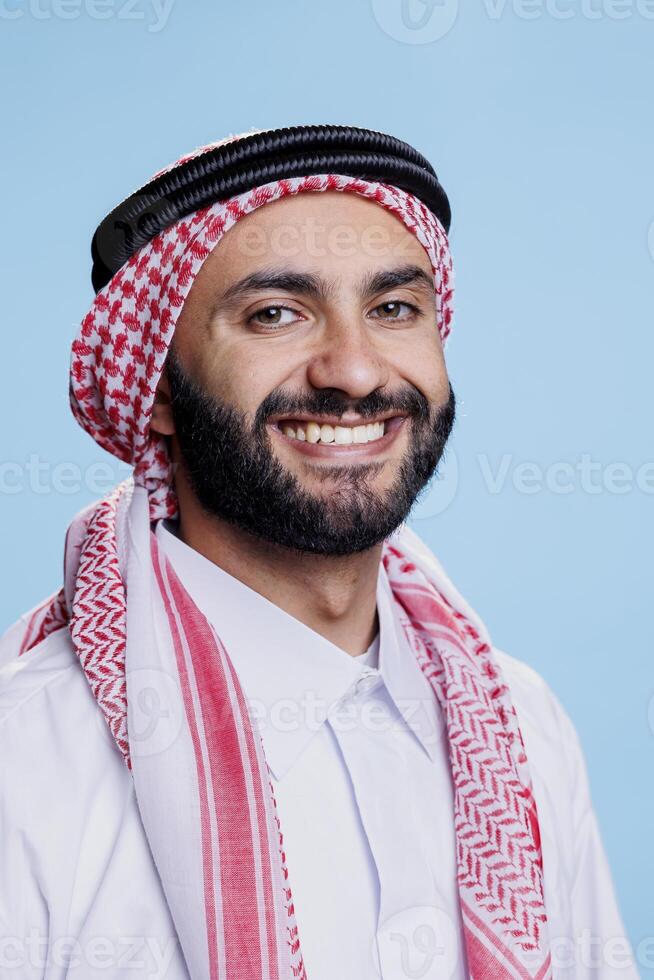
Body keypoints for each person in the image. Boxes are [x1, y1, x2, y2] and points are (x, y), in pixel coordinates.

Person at [0, 125, 637, 980]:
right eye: (276, 314)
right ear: (156, 388)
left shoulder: (521, 729)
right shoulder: (28, 761)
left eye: (393, 310)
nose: (355, 371)